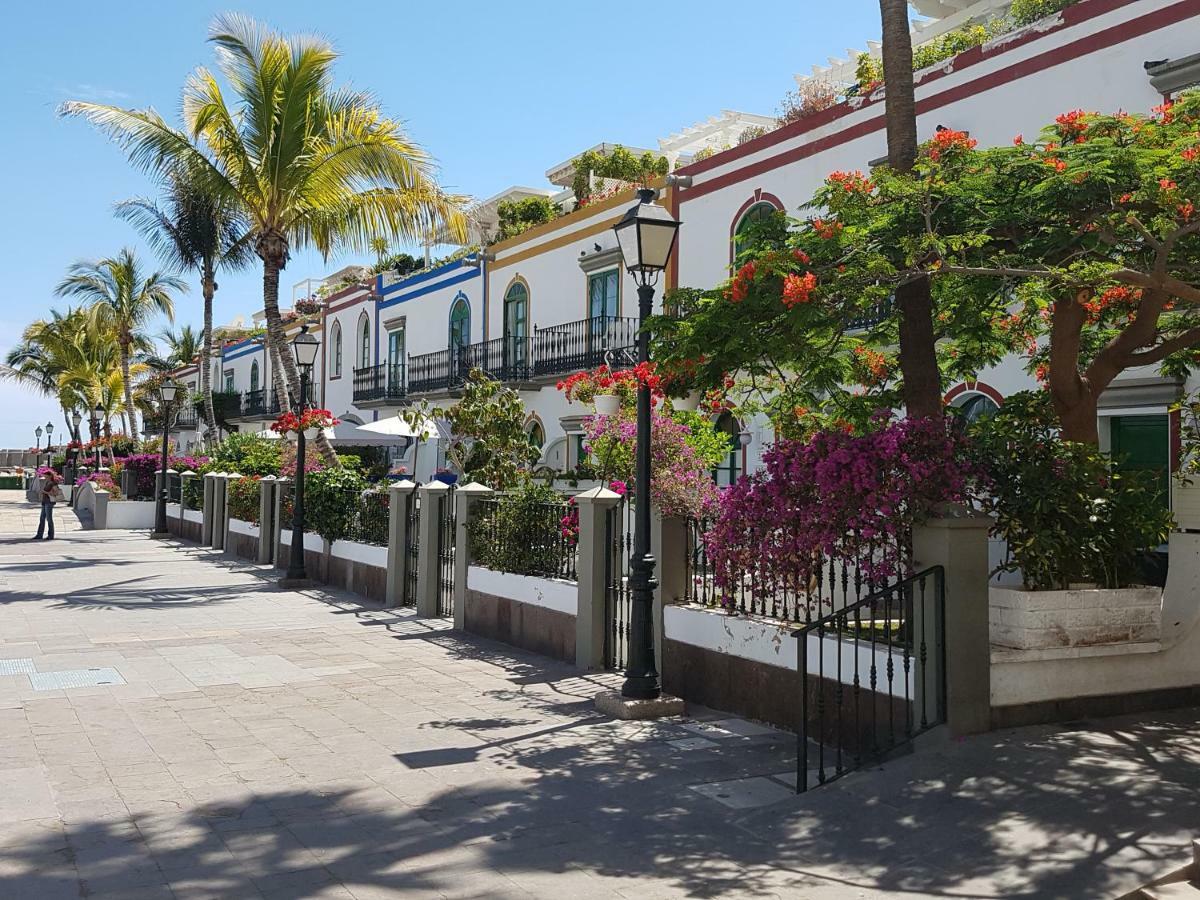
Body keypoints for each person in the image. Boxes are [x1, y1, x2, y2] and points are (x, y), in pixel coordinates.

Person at [34, 472, 63, 541]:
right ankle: (39, 535)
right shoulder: (47, 482)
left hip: (49, 502)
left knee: (49, 519)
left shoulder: (53, 483)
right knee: (42, 519)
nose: (45, 477)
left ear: (50, 476)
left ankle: (51, 535)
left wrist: (45, 492)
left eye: (46, 476)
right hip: (44, 502)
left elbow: (55, 493)